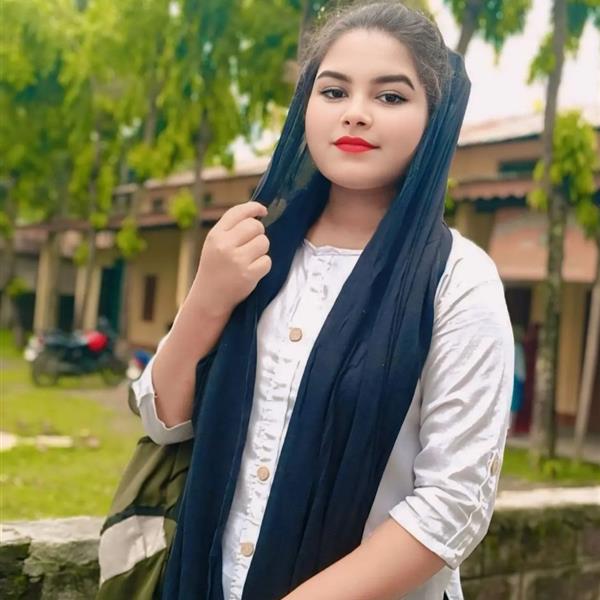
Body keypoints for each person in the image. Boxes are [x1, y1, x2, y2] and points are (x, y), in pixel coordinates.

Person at [131, 2, 514, 599]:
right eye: (333, 91)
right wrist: (207, 297)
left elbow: (453, 505)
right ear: (305, 106)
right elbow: (164, 422)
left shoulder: (458, 280)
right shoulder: (254, 247)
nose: (355, 113)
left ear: (434, 118)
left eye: (391, 96)